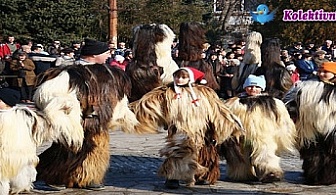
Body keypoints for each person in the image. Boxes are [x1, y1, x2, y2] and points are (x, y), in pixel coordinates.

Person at [130, 67, 244, 188]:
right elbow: (146, 104)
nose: (179, 79)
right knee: (178, 151)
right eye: (177, 76)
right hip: (179, 128)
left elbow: (218, 109)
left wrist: (229, 123)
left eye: (183, 77)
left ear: (190, 78)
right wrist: (129, 111)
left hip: (202, 129)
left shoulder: (204, 92)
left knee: (205, 152)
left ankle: (202, 176)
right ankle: (173, 177)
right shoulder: (166, 92)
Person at [219, 74, 296, 183]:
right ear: (245, 87)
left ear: (262, 88)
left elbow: (283, 120)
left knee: (266, 154)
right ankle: (240, 174)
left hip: (265, 135)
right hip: (241, 136)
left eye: (256, 87)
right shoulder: (234, 103)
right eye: (250, 86)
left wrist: (282, 132)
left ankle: (269, 172)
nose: (253, 89)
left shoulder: (273, 103)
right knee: (241, 156)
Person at [283, 61, 336, 185]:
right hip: (310, 127)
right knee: (311, 152)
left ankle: (329, 176)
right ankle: (312, 174)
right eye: (320, 71)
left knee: (331, 153)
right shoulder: (306, 86)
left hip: (331, 127)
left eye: (326, 72)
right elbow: (290, 100)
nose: (322, 74)